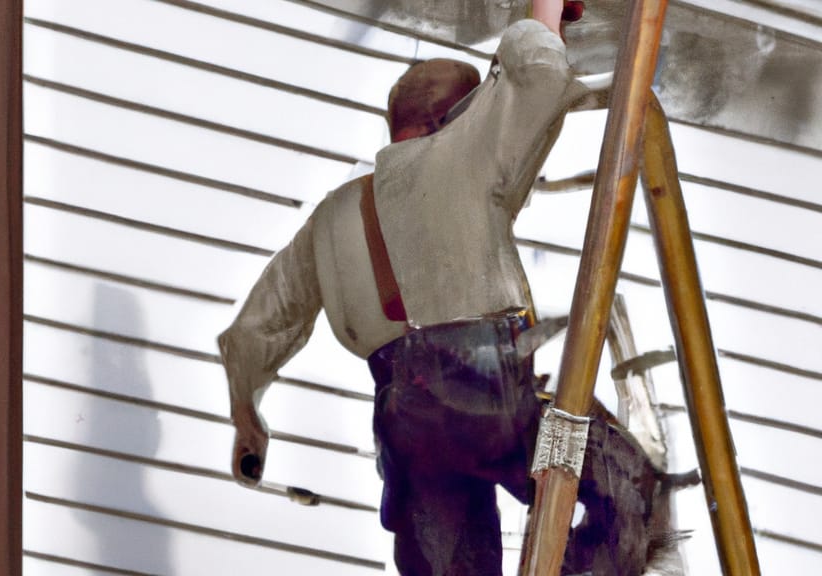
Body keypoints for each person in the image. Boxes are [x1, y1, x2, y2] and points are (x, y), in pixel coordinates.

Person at [218, 3, 667, 574]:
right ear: (443, 119)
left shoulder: (330, 218)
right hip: (492, 399)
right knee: (631, 488)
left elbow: (253, 332)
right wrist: (543, 14)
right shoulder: (458, 150)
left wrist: (247, 421)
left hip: (408, 431)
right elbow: (535, 75)